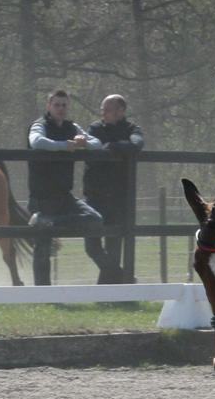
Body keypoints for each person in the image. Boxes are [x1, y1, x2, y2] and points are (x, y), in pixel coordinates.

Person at [27, 89, 105, 285]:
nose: (61, 109)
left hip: (64, 196)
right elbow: (36, 142)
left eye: (64, 105)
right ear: (49, 106)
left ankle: (48, 221)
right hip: (42, 196)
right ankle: (42, 293)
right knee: (43, 248)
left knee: (95, 219)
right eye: (57, 105)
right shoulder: (39, 125)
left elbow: (97, 144)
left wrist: (83, 141)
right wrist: (65, 145)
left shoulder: (73, 127)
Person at [84, 94, 146, 284]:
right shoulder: (95, 128)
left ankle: (107, 292)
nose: (103, 112)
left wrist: (112, 146)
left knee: (114, 245)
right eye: (102, 109)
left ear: (121, 111)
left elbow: (136, 144)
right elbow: (89, 149)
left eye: (108, 109)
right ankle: (123, 277)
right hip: (94, 194)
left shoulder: (132, 129)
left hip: (119, 197)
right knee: (91, 245)